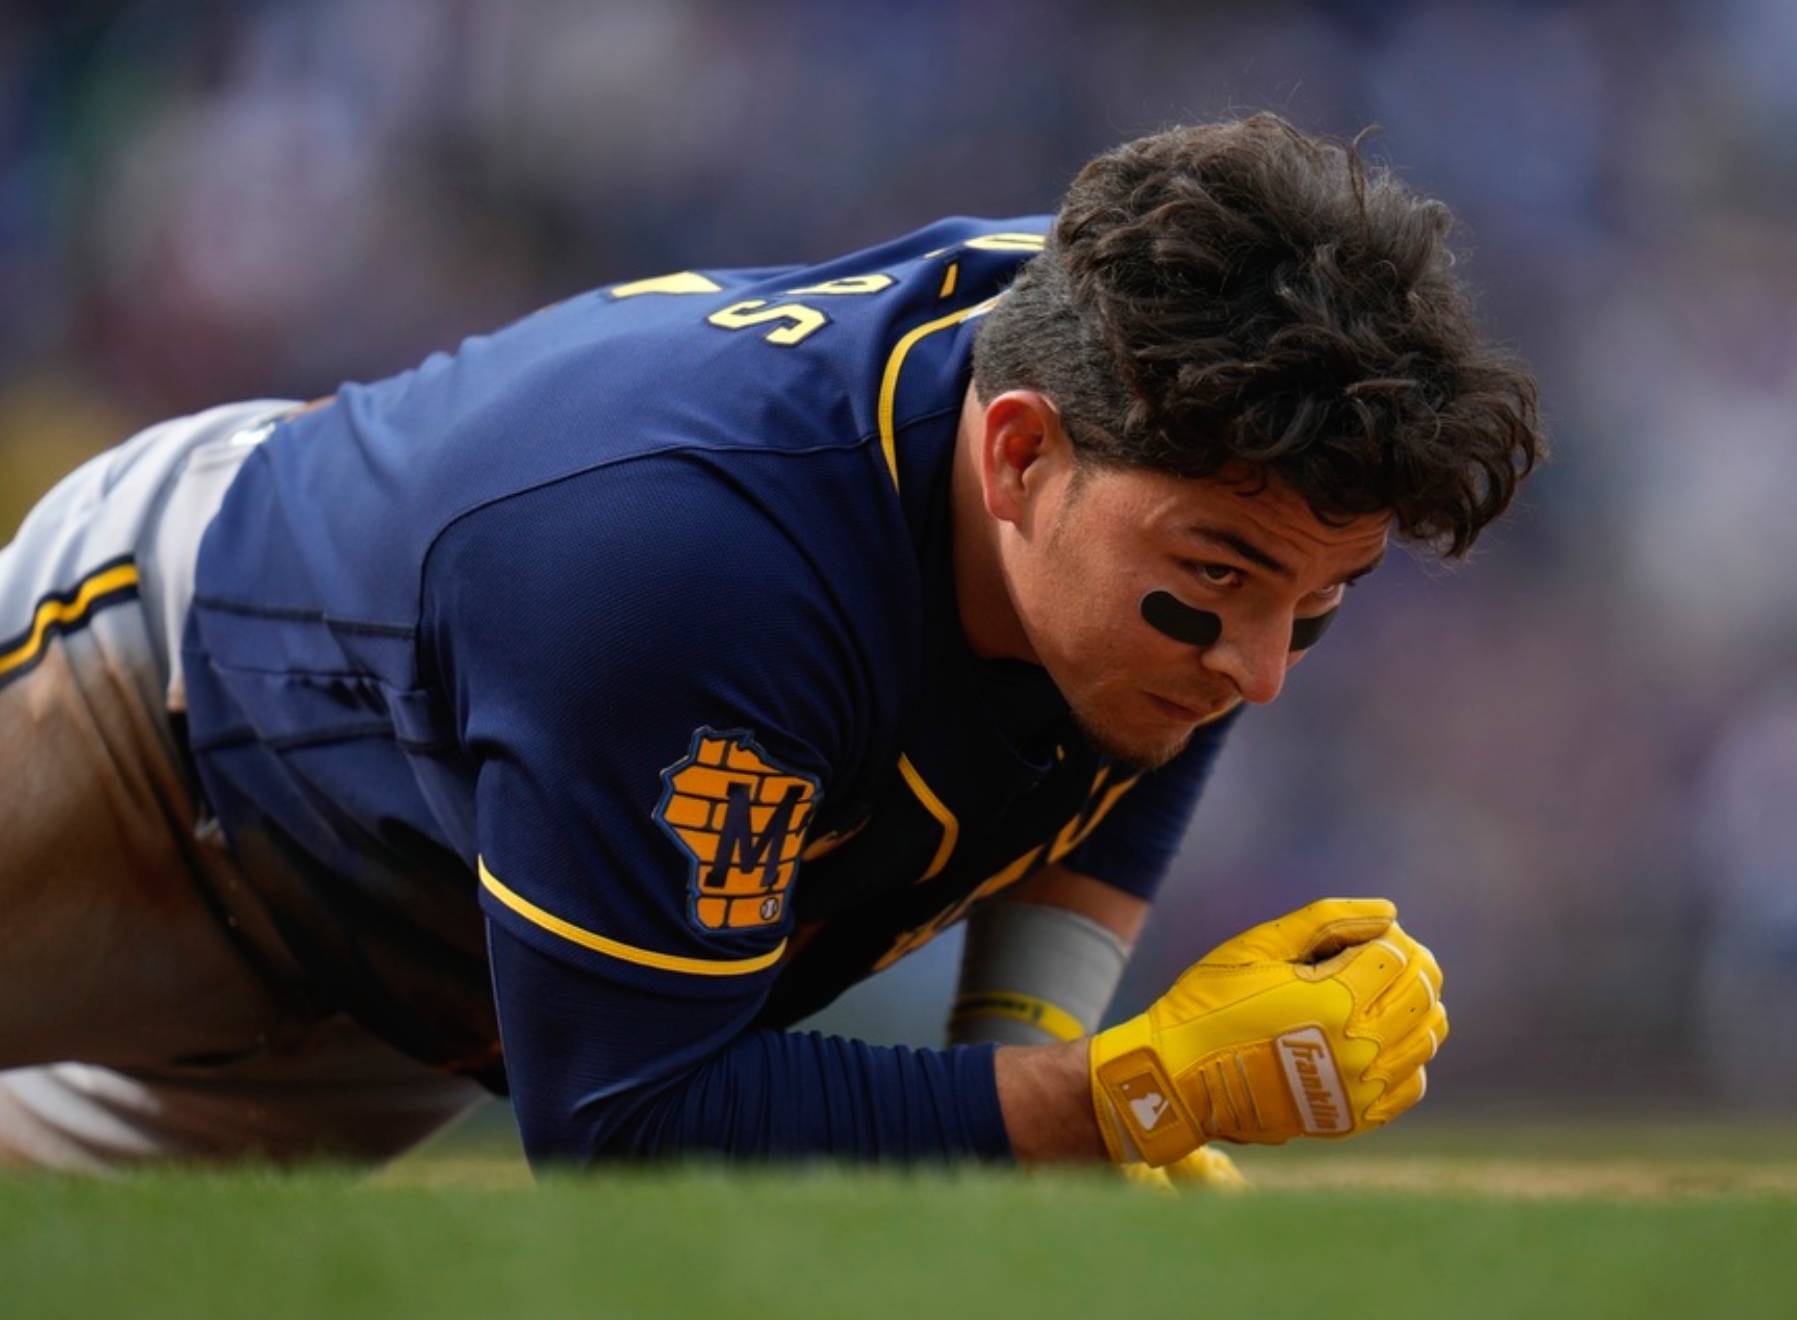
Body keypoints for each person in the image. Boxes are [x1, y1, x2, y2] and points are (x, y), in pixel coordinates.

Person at [0, 115, 1540, 1174]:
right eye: (1228, 577)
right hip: (169, 717)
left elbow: (1138, 702)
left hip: (442, 957)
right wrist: (1118, 1100)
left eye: (1320, 607)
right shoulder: (696, 566)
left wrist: (1030, 1042)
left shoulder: (1126, 395)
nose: (1259, 672)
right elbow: (628, 1128)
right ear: (1015, 460)